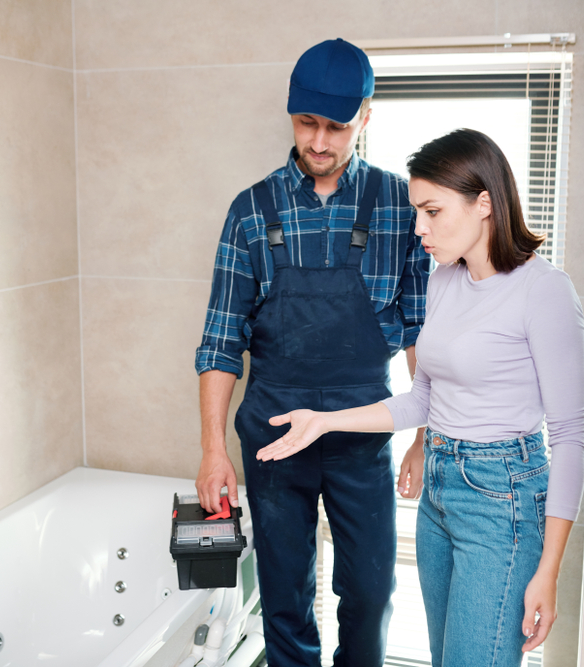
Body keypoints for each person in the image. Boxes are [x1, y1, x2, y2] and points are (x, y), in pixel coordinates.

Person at [256, 128, 584, 667]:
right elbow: (423, 401)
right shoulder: (445, 280)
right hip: (439, 493)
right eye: (416, 211)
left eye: (432, 211)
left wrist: (548, 569)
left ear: (484, 203)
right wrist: (324, 421)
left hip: (502, 499)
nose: (420, 228)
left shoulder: (544, 289)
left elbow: (571, 438)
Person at [194, 38, 430, 667]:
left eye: (337, 126)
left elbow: (419, 332)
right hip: (272, 440)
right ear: (291, 115)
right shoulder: (250, 212)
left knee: (371, 592)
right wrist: (214, 450)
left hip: (361, 437)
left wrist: (422, 434)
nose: (320, 142)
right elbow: (221, 339)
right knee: (284, 599)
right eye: (307, 123)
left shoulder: (398, 208)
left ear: (366, 118)